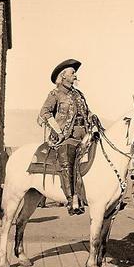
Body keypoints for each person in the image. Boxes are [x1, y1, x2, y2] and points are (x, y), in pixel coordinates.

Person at [38, 58, 92, 216]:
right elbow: (45, 113)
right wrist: (58, 131)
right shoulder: (55, 94)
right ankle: (71, 200)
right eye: (72, 73)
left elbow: (86, 112)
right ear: (63, 76)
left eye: (75, 73)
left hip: (84, 133)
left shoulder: (79, 94)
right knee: (67, 160)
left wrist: (92, 116)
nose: (75, 76)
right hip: (67, 136)